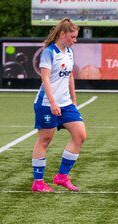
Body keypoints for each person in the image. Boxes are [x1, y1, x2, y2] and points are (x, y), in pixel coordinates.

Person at [31, 18, 86, 193]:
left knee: (80, 135)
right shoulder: (49, 52)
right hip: (47, 103)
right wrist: (53, 103)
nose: (75, 40)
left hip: (66, 103)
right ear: (63, 34)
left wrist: (74, 99)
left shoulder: (69, 51)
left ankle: (61, 177)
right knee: (45, 140)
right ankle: (38, 182)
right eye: (73, 36)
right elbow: (45, 78)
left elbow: (69, 76)